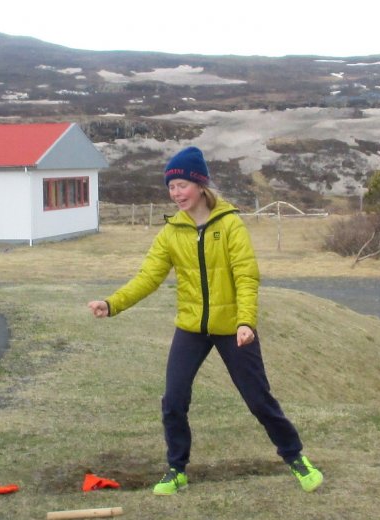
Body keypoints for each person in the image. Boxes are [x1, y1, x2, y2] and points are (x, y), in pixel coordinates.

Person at [88, 146, 323, 495]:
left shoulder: (229, 224)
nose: (176, 193)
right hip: (192, 328)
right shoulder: (172, 232)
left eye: (181, 185)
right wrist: (112, 304)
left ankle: (296, 458)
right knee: (174, 399)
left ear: (200, 185)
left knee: (259, 400)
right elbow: (148, 277)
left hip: (233, 328)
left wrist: (246, 322)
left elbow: (246, 275)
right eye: (171, 187)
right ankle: (176, 469)